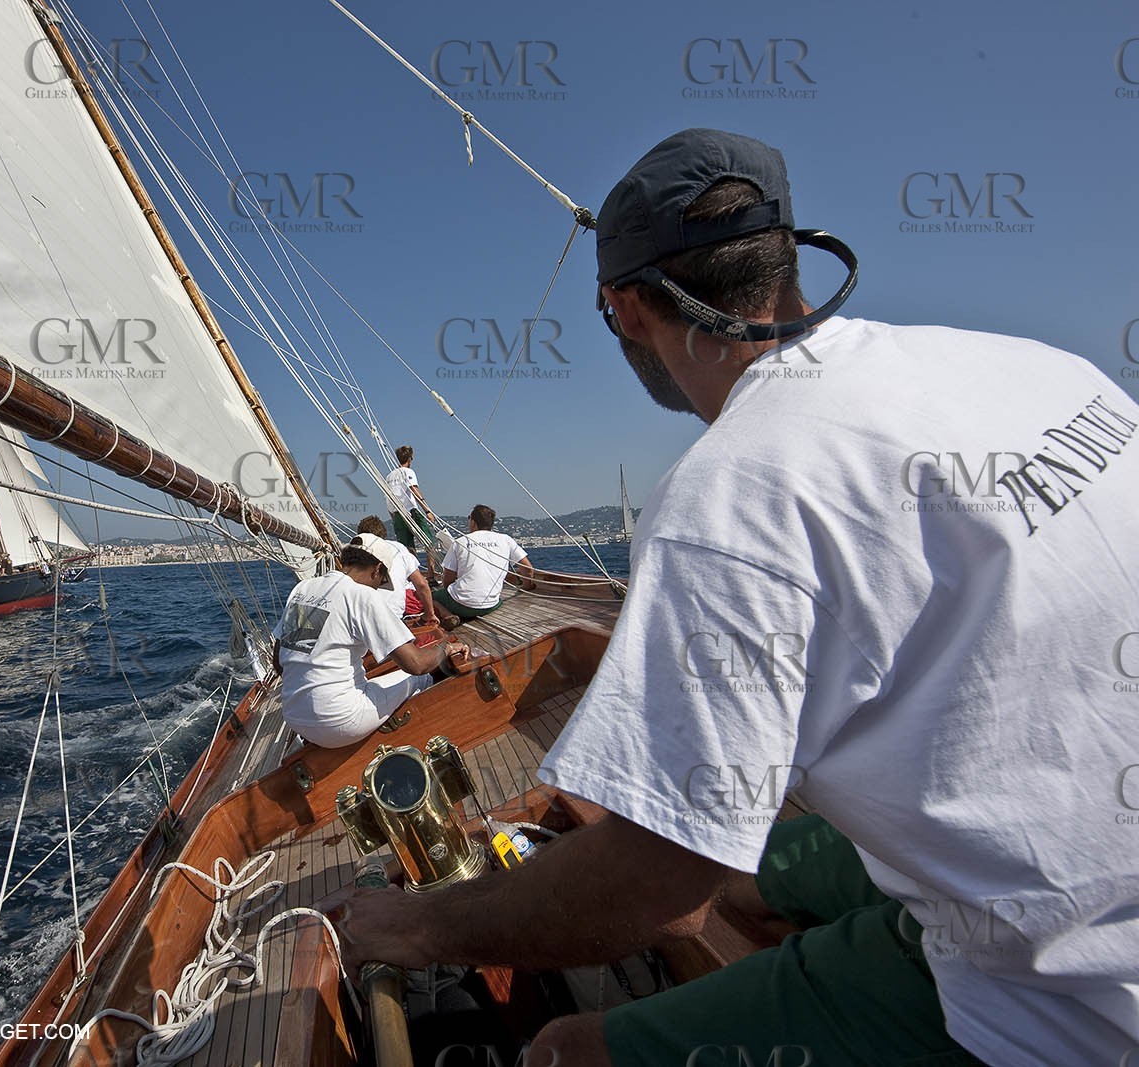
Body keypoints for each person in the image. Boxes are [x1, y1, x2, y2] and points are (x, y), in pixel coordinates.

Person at [337, 128, 1139, 1065]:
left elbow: (656, 890)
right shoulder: (1033, 365)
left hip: (1071, 1007)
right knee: (754, 877)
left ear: (629, 309)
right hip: (1065, 848)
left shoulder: (733, 488)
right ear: (786, 253)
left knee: (566, 1047)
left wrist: (424, 927)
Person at [271, 539, 467, 748]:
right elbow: (416, 664)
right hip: (341, 722)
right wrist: (446, 647)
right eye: (382, 581)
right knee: (419, 679)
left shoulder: (304, 587)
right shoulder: (361, 594)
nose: (378, 588)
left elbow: (278, 662)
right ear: (377, 570)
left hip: (294, 717)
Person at [432, 505, 535, 623]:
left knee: (430, 597)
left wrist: (449, 592)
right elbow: (528, 569)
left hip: (460, 604)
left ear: (474, 522)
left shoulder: (460, 542)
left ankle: (448, 615)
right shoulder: (506, 539)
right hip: (490, 606)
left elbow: (447, 579)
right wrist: (526, 587)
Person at [355, 516, 435, 625]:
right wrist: (430, 614)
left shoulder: (353, 552)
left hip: (361, 618)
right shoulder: (399, 549)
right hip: (394, 618)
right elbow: (421, 584)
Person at [382, 445, 441, 580]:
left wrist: (393, 515)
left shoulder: (389, 476)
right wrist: (427, 511)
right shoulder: (408, 472)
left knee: (407, 548)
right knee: (429, 542)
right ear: (410, 458)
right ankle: (431, 575)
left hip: (397, 514)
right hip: (411, 512)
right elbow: (413, 489)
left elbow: (388, 497)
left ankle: (414, 577)